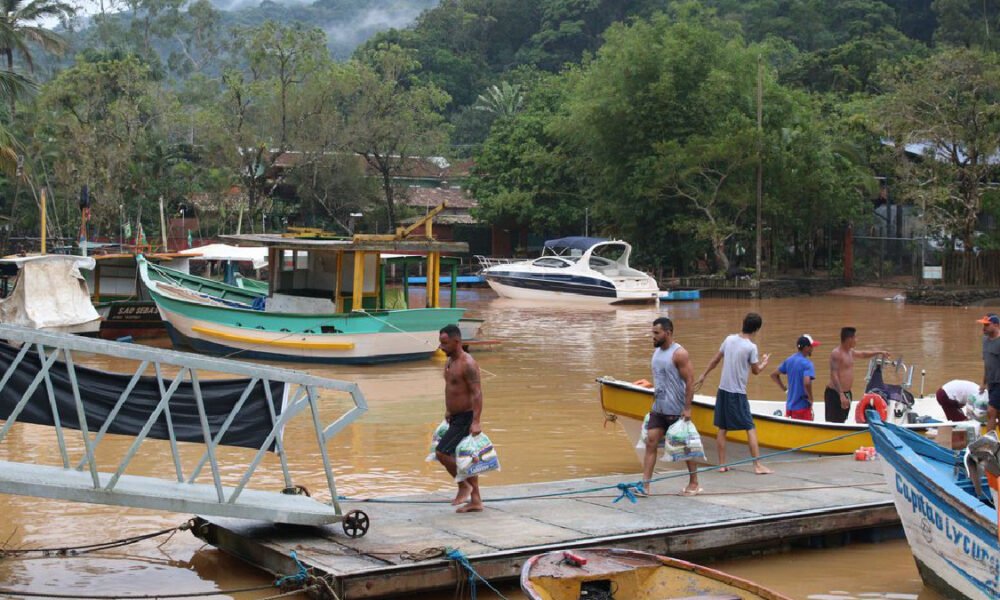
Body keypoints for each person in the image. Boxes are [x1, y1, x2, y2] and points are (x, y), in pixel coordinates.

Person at [694, 312, 772, 474]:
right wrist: (764, 363)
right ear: (757, 329)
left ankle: (722, 464)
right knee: (750, 427)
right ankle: (757, 465)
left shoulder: (729, 339)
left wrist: (703, 375)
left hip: (723, 390)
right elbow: (756, 371)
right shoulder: (751, 347)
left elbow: (716, 360)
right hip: (737, 393)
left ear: (743, 323)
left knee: (722, 428)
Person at [641, 317, 700, 497]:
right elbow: (661, 377)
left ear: (668, 333)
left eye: (656, 333)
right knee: (651, 442)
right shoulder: (656, 352)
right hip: (658, 408)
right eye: (653, 332)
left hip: (676, 409)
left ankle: (694, 482)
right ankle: (645, 486)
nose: (653, 336)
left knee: (684, 447)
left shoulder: (679, 353)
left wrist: (687, 408)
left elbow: (690, 380)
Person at [434, 324, 484, 513]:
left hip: (466, 417)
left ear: (457, 342)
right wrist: (448, 411)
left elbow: (477, 393)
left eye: (445, 343)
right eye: (440, 343)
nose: (441, 347)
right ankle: (476, 500)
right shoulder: (449, 361)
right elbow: (452, 389)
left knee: (442, 452)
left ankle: (463, 485)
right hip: (454, 416)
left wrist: (476, 420)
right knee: (466, 459)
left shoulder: (468, 363)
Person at [825, 327, 891, 423]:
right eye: (855, 337)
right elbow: (833, 375)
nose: (857, 340)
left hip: (847, 393)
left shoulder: (850, 352)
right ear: (849, 339)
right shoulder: (836, 353)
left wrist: (879, 352)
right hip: (836, 393)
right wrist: (841, 395)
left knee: (842, 419)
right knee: (833, 421)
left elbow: (863, 354)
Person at [770, 335, 820, 421]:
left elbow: (774, 375)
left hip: (790, 407)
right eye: (811, 346)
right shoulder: (808, 364)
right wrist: (811, 398)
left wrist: (785, 389)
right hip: (802, 408)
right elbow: (807, 382)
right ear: (806, 348)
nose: (813, 348)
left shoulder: (789, 360)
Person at [979, 314, 1000, 432]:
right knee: (998, 414)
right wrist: (983, 383)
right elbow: (987, 364)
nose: (984, 328)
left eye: (987, 325)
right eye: (983, 324)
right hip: (991, 382)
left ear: (996, 325)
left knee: (991, 411)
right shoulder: (985, 340)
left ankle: (988, 442)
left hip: (999, 382)